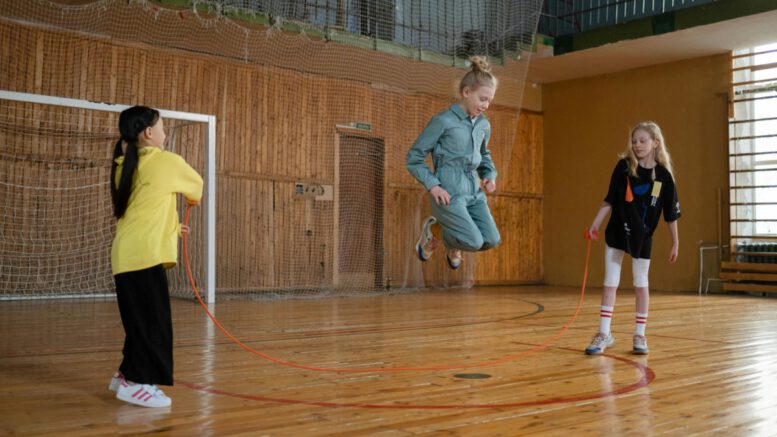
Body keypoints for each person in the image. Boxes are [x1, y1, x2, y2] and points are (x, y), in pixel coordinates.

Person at [107, 106, 203, 407]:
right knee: (154, 325)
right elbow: (196, 187)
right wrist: (189, 198)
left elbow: (144, 208)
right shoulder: (166, 162)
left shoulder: (124, 165)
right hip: (145, 257)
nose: (165, 132)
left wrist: (172, 225)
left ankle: (126, 375)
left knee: (141, 322)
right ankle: (137, 384)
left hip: (126, 257)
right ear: (149, 133)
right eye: (163, 127)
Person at [585, 121, 680, 355]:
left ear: (655, 143)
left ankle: (640, 335)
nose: (637, 145)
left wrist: (675, 242)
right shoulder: (623, 168)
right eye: (634, 141)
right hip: (617, 232)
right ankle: (604, 334)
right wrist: (595, 224)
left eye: (642, 141)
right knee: (610, 282)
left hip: (643, 237)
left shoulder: (664, 178)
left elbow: (671, 215)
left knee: (640, 283)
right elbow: (609, 199)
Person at [406, 55, 501, 270]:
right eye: (483, 99)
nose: (486, 105)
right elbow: (414, 158)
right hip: (449, 194)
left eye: (490, 101)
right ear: (466, 92)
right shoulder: (443, 121)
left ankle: (451, 236)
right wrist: (434, 186)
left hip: (474, 193)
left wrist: (489, 175)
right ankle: (436, 232)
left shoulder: (484, 125)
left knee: (491, 240)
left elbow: (484, 156)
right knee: (474, 241)